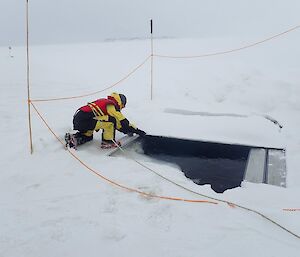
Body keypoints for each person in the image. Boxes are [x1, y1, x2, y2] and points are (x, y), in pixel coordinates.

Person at [65, 92, 146, 149]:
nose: (122, 108)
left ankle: (74, 139)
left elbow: (119, 125)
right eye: (123, 106)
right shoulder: (111, 105)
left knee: (88, 136)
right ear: (121, 102)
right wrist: (136, 130)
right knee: (110, 122)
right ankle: (108, 142)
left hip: (80, 118)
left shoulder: (104, 102)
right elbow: (121, 121)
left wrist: (127, 130)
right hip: (85, 119)